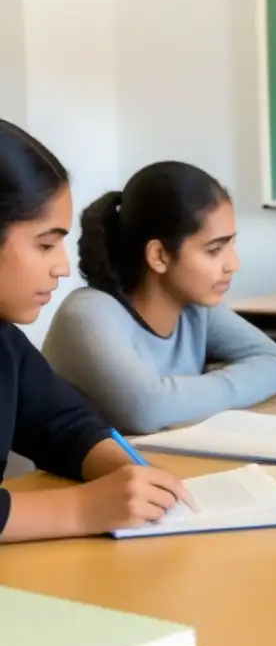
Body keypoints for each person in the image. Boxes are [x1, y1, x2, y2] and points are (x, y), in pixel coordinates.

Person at [0, 119, 193, 543]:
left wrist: (126, 470)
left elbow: (61, 423)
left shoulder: (4, 341)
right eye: (45, 244)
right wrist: (82, 509)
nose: (62, 266)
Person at [41, 161, 276, 435]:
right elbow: (147, 409)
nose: (233, 264)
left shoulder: (197, 308)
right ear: (159, 256)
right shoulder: (87, 314)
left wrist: (181, 394)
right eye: (214, 250)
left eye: (231, 244)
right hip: (72, 478)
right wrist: (217, 384)